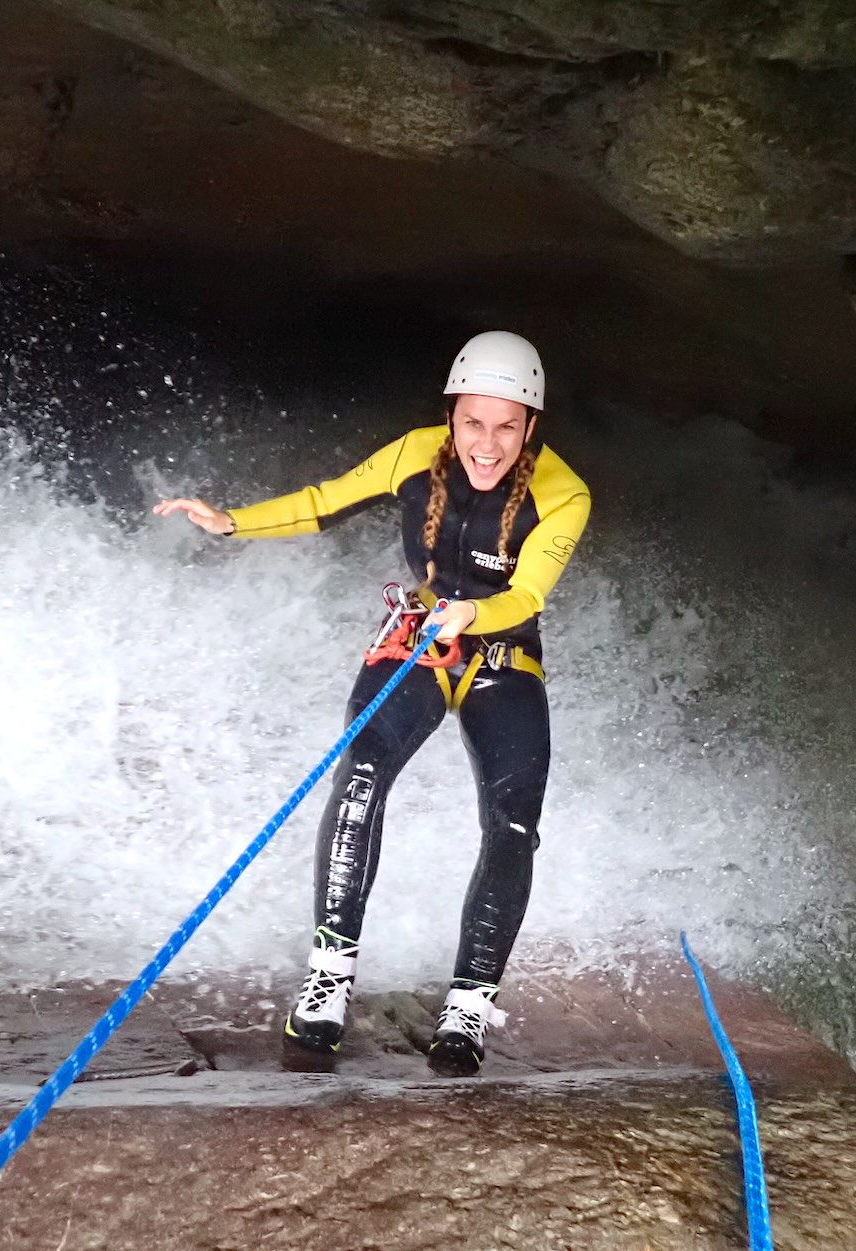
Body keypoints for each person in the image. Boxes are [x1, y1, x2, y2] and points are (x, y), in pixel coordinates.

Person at [154, 332, 590, 1076]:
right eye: (473, 423)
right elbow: (326, 503)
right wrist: (231, 522)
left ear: (531, 428)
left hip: (501, 655)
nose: (488, 444)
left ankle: (471, 1005)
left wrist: (472, 616)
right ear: (452, 417)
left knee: (514, 825)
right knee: (360, 775)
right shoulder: (413, 454)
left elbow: (527, 593)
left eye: (507, 426)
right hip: (415, 641)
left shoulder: (564, 493)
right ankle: (329, 978)